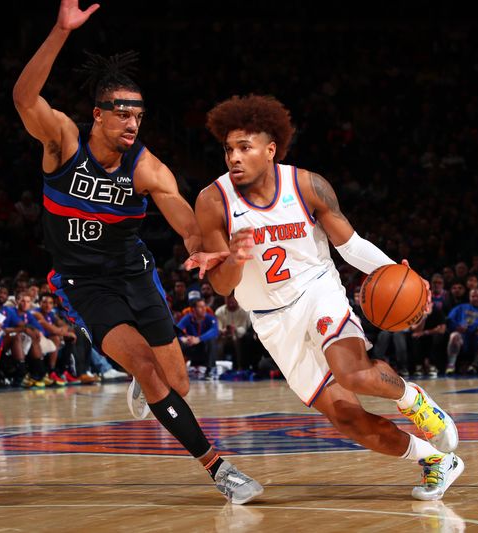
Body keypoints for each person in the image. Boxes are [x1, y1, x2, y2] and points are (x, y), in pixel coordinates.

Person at [12, 0, 261, 504]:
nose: (132, 123)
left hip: (134, 273)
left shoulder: (147, 169)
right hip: (84, 285)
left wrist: (208, 249)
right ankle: (220, 470)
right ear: (98, 115)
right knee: (147, 369)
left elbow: (187, 228)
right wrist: (61, 31)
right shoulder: (62, 142)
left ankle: (145, 379)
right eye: (123, 114)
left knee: (179, 386)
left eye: (139, 116)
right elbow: (23, 96)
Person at [193, 94, 462, 501]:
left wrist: (398, 271)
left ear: (270, 150)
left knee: (354, 372)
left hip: (317, 290)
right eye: (228, 148)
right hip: (269, 319)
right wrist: (234, 255)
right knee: (347, 419)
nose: (234, 156)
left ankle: (414, 399)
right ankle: (436, 461)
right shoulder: (212, 201)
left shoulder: (306, 185)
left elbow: (350, 246)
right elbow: (221, 286)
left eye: (244, 147)